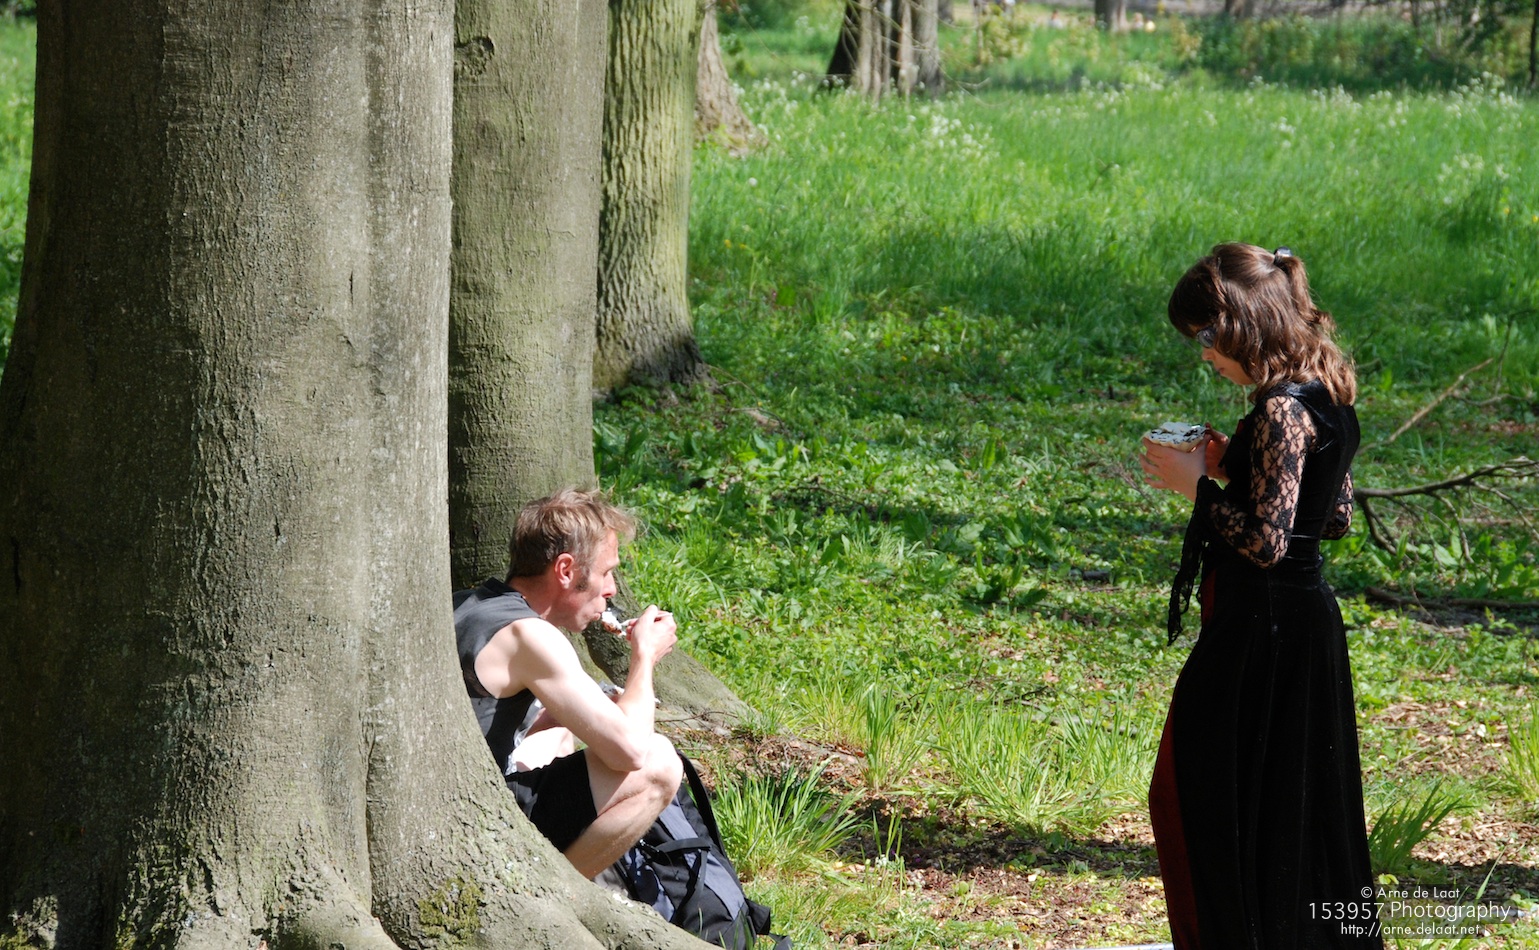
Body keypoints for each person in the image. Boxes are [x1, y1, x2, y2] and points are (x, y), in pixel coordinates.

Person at [1139, 244, 1382, 949]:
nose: (1205, 357)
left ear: (1241, 325)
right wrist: (1233, 467)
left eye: (1205, 338)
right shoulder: (1327, 392)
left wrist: (1195, 487)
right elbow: (1332, 517)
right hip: (1305, 628)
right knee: (1289, 807)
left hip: (1260, 630)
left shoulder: (1280, 409)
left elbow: (1269, 543)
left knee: (1199, 792)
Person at [453, 488, 683, 879]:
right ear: (565, 570)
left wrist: (557, 718)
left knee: (561, 734)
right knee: (659, 763)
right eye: (606, 572)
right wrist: (644, 657)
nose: (611, 589)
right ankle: (553, 893)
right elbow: (631, 752)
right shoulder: (530, 635)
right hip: (470, 818)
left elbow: (479, 723)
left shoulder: (470, 602)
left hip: (458, 787)